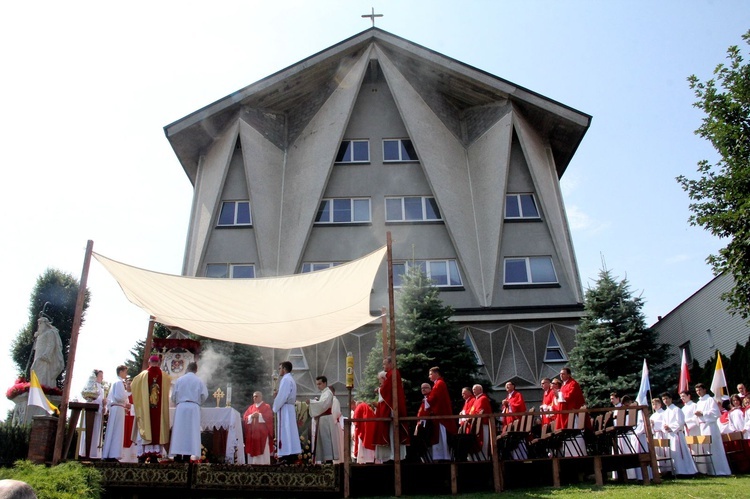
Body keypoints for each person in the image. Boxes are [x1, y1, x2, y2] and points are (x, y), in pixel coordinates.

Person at [131, 355, 172, 462]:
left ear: (149, 362)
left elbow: (133, 386)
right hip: (158, 409)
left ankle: (142, 458)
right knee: (157, 428)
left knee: (146, 426)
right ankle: (154, 458)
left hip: (146, 410)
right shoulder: (165, 377)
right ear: (158, 363)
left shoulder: (142, 376)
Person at [170, 362, 208, 462]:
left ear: (187, 369)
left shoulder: (180, 380)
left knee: (179, 431)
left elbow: (173, 396)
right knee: (191, 432)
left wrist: (179, 401)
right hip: (193, 407)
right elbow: (204, 395)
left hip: (181, 407)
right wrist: (198, 402)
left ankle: (178, 455)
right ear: (196, 370)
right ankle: (188, 456)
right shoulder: (199, 381)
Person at [373, 357, 409, 462]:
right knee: (390, 432)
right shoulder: (391, 374)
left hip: (392, 408)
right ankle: (391, 454)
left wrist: (379, 389)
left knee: (393, 432)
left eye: (384, 364)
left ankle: (394, 455)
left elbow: (387, 390)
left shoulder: (393, 373)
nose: (383, 366)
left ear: (390, 363)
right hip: (390, 407)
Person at [694, 383, 731, 475]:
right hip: (702, 427)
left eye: (700, 390)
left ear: (704, 390)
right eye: (697, 391)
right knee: (707, 448)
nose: (698, 392)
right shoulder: (698, 402)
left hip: (711, 426)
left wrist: (703, 413)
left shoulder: (710, 399)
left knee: (715, 448)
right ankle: (711, 470)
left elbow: (716, 413)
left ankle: (720, 470)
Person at [660, 392, 698, 476]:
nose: (665, 400)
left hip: (677, 434)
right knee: (673, 453)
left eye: (666, 398)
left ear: (670, 399)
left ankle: (685, 470)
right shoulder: (665, 412)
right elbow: (663, 424)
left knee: (680, 453)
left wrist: (670, 427)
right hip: (669, 435)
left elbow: (680, 422)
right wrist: (665, 427)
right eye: (663, 399)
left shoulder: (676, 409)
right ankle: (675, 470)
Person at [272, 361, 302, 463]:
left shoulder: (285, 380)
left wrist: (275, 404)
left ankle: (286, 454)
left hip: (285, 409)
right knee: (290, 430)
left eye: (280, 368)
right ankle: (291, 452)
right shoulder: (290, 379)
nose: (279, 370)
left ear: (284, 369)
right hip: (289, 408)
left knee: (286, 430)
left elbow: (282, 396)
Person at [425, 367, 457, 461]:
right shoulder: (437, 384)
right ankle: (440, 456)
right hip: (438, 415)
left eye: (431, 374)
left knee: (441, 437)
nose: (429, 376)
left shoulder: (439, 384)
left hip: (441, 416)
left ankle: (443, 457)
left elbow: (434, 398)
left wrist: (427, 399)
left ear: (437, 374)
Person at [101, 365, 130, 461]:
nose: (126, 374)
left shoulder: (116, 382)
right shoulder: (118, 382)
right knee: (116, 431)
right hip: (117, 408)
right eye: (125, 372)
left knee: (115, 431)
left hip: (117, 408)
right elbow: (119, 397)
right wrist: (129, 394)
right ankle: (112, 454)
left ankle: (111, 453)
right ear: (121, 372)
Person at [309, 376, 339, 463]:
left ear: (325, 383)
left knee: (326, 440)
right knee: (323, 440)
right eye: (317, 384)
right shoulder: (324, 393)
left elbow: (323, 405)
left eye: (320, 384)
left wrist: (311, 402)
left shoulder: (328, 393)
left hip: (326, 419)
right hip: (323, 419)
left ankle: (328, 461)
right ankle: (325, 460)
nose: (318, 386)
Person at [557, 367, 586, 456]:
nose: (561, 375)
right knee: (567, 435)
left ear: (568, 375)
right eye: (560, 374)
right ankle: (569, 454)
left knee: (574, 433)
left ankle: (579, 454)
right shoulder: (564, 385)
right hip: (565, 414)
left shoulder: (573, 383)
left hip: (572, 414)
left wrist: (559, 394)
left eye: (563, 374)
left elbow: (570, 396)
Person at [79, 369, 106, 459]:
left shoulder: (101, 388)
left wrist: (104, 405)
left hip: (98, 412)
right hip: (91, 411)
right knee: (88, 430)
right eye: (100, 376)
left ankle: (94, 454)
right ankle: (84, 452)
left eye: (102, 376)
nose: (101, 378)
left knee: (96, 432)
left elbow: (102, 401)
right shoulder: (91, 385)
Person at [30, 316, 64, 389]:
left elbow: (51, 344)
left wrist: (46, 355)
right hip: (38, 356)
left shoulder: (50, 333)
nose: (39, 325)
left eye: (41, 323)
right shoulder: (40, 335)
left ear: (46, 323)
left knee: (43, 374)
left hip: (45, 358)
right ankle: (37, 387)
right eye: (38, 323)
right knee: (34, 371)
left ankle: (44, 387)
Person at [243, 391, 274, 465]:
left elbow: (269, 417)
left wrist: (259, 415)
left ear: (260, 397)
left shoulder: (266, 406)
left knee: (263, 449)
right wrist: (251, 416)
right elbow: (245, 417)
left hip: (262, 434)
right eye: (253, 396)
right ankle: (252, 464)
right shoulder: (251, 407)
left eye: (256, 396)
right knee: (252, 448)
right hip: (252, 434)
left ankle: (264, 464)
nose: (254, 398)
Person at [470, 384, 493, 459]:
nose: (473, 390)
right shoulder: (477, 399)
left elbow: (480, 411)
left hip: (483, 424)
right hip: (478, 424)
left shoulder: (483, 398)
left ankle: (483, 458)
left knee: (484, 442)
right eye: (473, 389)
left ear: (480, 390)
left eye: (475, 389)